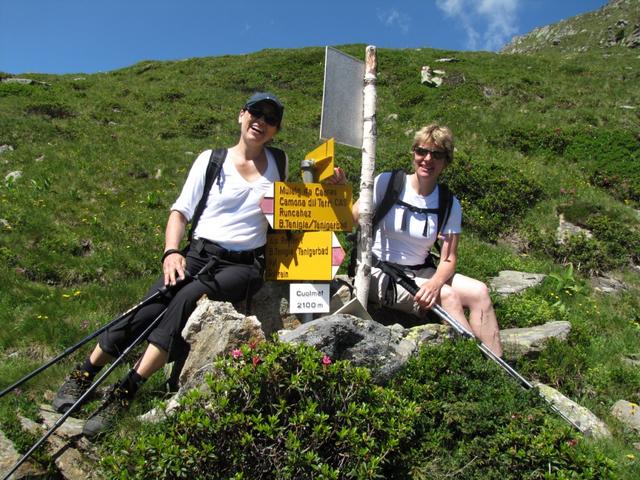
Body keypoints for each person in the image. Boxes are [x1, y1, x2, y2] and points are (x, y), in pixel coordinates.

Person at [53, 92, 302, 439]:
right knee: (149, 304)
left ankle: (127, 390)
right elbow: (180, 212)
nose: (261, 121)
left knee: (186, 300)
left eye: (271, 119)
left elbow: (297, 207)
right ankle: (83, 374)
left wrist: (331, 187)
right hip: (199, 253)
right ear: (241, 115)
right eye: (256, 113)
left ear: (276, 130)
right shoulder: (211, 160)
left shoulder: (280, 161)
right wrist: (172, 252)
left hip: (244, 266)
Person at [352, 123, 503, 356]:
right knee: (448, 295)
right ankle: (473, 364)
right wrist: (341, 188)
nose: (427, 159)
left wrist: (433, 284)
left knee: (480, 292)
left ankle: (498, 365)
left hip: (421, 272)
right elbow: (356, 217)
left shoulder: (448, 203)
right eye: (421, 151)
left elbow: (449, 258)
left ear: (446, 161)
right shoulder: (388, 183)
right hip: (380, 271)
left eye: (437, 154)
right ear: (413, 153)